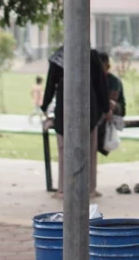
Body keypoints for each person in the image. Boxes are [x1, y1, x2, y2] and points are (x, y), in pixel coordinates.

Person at [40, 47, 109, 198]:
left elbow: (51, 84)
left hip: (67, 108)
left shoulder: (59, 56)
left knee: (64, 149)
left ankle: (64, 189)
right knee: (89, 149)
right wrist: (105, 107)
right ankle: (89, 188)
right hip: (87, 108)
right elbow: (101, 83)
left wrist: (45, 106)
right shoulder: (90, 55)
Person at [99, 53, 125, 117]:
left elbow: (113, 99)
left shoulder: (114, 80)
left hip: (116, 109)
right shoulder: (96, 79)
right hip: (102, 107)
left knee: (110, 103)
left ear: (107, 66)